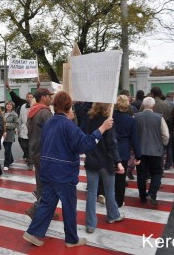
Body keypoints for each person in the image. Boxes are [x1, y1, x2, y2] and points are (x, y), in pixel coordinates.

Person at [22, 91, 114, 247]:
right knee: (69, 206)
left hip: (47, 169)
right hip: (63, 172)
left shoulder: (50, 122)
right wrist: (102, 129)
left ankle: (33, 233)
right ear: (68, 106)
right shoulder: (68, 125)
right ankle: (71, 239)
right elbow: (84, 145)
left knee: (47, 204)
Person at [84, 102, 125, 234]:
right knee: (109, 191)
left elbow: (85, 137)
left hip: (91, 160)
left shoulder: (89, 119)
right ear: (107, 107)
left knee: (91, 193)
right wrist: (118, 162)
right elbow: (112, 144)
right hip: (106, 162)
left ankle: (90, 224)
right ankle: (112, 215)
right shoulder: (109, 122)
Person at [25, 88, 54, 219]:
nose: (51, 98)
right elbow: (53, 133)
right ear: (43, 97)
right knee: (49, 184)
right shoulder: (45, 113)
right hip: (45, 152)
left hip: (35, 151)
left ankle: (46, 210)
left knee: (41, 182)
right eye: (49, 96)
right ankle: (38, 209)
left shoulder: (32, 111)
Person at [135, 97, 169, 206]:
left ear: (144, 105)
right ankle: (152, 193)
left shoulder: (136, 117)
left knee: (141, 174)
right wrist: (163, 144)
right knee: (156, 173)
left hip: (140, 150)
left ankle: (142, 196)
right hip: (155, 150)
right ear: (153, 106)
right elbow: (166, 135)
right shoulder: (159, 118)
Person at [113, 95, 142, 207]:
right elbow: (135, 139)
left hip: (110, 149)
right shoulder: (130, 120)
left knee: (110, 176)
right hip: (123, 150)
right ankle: (119, 201)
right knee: (121, 178)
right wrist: (138, 155)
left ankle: (108, 197)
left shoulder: (110, 117)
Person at [18, 96, 34, 170]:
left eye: (31, 97)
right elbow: (20, 117)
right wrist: (18, 128)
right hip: (23, 128)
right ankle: (28, 156)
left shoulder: (35, 105)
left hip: (32, 129)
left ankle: (30, 163)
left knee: (30, 147)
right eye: (28, 97)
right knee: (23, 145)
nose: (29, 98)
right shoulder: (23, 106)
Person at [3, 101, 18, 170]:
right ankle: (11, 159)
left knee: (7, 150)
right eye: (7, 104)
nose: (9, 106)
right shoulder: (2, 113)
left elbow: (16, 124)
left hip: (10, 134)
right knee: (7, 148)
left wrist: (7, 125)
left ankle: (6, 164)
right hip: (3, 134)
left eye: (10, 105)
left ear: (12, 107)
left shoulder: (14, 115)